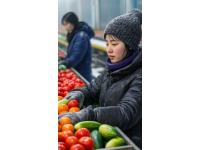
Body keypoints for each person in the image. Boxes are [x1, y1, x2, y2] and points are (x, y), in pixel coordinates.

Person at [58, 9, 142, 149]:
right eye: (107, 43)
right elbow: (92, 89)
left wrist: (89, 114)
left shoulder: (139, 76)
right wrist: (79, 94)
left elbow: (125, 113)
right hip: (109, 131)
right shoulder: (112, 68)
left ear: (130, 45)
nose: (108, 49)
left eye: (114, 44)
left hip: (130, 140)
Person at [58, 12, 94, 82]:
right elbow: (73, 52)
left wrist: (66, 63)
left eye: (67, 24)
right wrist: (65, 59)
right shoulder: (76, 34)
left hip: (82, 73)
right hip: (78, 71)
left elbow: (76, 56)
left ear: (73, 22)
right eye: (64, 25)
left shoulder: (81, 36)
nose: (66, 27)